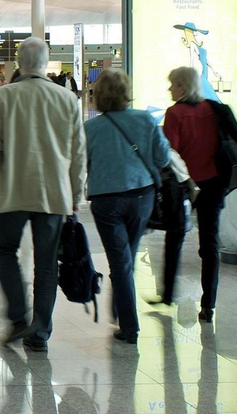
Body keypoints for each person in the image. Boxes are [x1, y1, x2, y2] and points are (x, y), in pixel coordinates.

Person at [0, 39, 84, 351]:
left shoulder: (4, 97)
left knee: (4, 250)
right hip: (53, 193)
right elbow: (78, 154)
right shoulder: (66, 99)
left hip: (11, 190)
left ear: (19, 63)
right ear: (46, 62)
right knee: (47, 262)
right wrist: (75, 194)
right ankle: (40, 331)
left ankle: (17, 316)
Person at [157, 65, 237, 323]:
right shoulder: (215, 110)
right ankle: (209, 304)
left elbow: (169, 152)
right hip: (215, 185)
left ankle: (168, 295)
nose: (170, 89)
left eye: (172, 84)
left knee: (175, 237)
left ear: (182, 87)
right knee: (210, 243)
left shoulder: (175, 113)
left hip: (185, 185)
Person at [83, 71, 170, 344]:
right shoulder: (145, 120)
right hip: (141, 197)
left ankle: (129, 325)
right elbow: (163, 156)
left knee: (120, 262)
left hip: (106, 199)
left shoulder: (90, 128)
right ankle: (122, 308)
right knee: (126, 259)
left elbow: (80, 163)